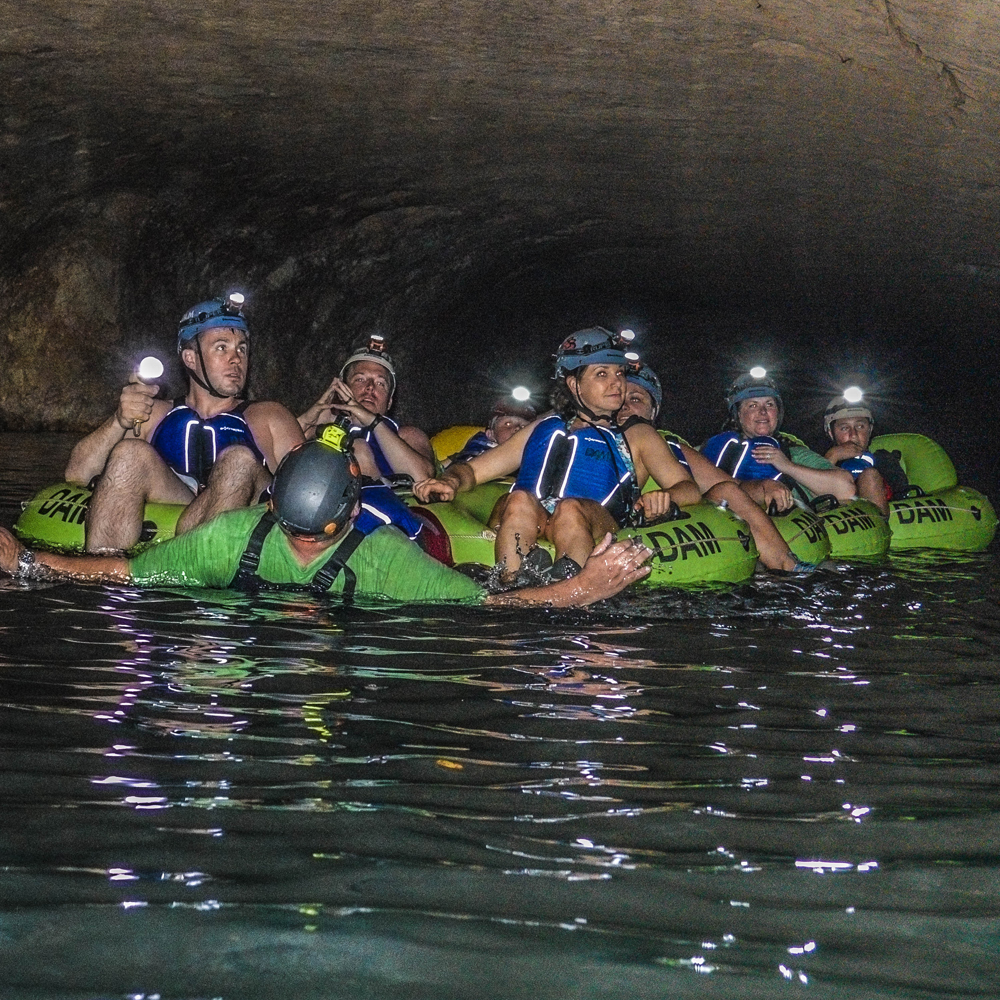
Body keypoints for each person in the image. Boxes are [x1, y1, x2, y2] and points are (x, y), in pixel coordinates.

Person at [1, 432, 653, 609]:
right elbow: (489, 610)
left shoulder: (382, 553)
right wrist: (580, 592)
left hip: (418, 525)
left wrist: (28, 565)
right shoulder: (378, 559)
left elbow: (117, 572)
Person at [413, 328, 701, 583]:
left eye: (619, 374)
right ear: (574, 384)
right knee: (518, 499)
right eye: (602, 374)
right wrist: (449, 481)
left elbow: (689, 489)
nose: (617, 384)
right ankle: (513, 583)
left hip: (595, 523)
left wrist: (666, 498)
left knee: (570, 509)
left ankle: (571, 581)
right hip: (530, 521)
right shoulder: (544, 428)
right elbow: (474, 471)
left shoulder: (638, 435)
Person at [64, 295, 304, 553]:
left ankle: (206, 566)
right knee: (130, 452)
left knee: (239, 460)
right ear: (190, 358)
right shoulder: (154, 413)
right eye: (222, 348)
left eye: (242, 349)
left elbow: (306, 495)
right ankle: (103, 570)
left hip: (244, 509)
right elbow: (78, 474)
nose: (236, 359)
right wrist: (119, 421)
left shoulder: (270, 416)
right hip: (181, 503)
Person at [618, 364, 806, 572]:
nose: (624, 406)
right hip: (625, 527)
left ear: (653, 410)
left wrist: (765, 487)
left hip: (676, 528)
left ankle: (790, 566)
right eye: (619, 397)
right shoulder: (590, 442)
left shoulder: (672, 446)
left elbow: (733, 487)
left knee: (727, 490)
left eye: (635, 399)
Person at [297, 335, 433, 546]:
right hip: (317, 518)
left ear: (389, 401)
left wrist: (372, 421)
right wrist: (312, 417)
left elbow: (423, 478)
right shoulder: (318, 428)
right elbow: (275, 462)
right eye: (360, 379)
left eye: (380, 384)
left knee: (359, 448)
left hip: (386, 527)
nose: (370, 388)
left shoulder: (406, 435)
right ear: (342, 389)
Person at [701, 372, 856, 505]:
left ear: (778, 413)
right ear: (738, 415)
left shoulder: (795, 453)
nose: (762, 412)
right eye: (752, 406)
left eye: (769, 404)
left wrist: (787, 465)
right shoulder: (715, 449)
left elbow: (845, 488)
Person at [823, 393, 906, 515]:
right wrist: (832, 457)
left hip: (878, 526)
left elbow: (901, 493)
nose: (854, 434)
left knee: (870, 476)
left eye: (860, 426)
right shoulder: (817, 461)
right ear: (831, 433)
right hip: (838, 526)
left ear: (870, 429)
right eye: (845, 428)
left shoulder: (884, 460)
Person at [444, 397, 538, 466]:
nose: (517, 428)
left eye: (523, 426)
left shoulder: (534, 457)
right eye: (507, 424)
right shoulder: (474, 449)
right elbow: (440, 468)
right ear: (490, 434)